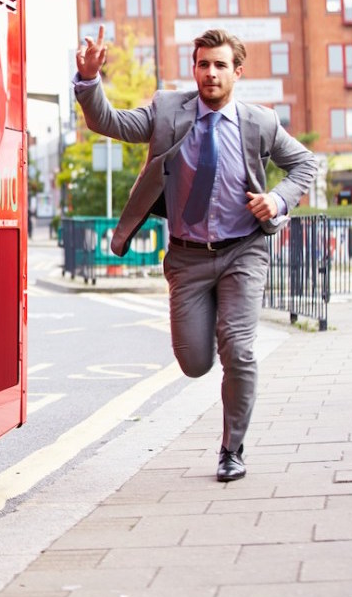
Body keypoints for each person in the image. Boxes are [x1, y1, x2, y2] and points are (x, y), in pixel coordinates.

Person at [73, 26, 318, 482]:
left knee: (239, 350)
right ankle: (211, 371)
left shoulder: (259, 123)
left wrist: (279, 199)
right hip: (187, 258)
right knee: (195, 362)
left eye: (220, 65)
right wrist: (89, 83)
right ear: (194, 68)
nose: (211, 73)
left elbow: (305, 164)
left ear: (237, 72)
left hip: (244, 250)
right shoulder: (168, 110)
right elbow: (112, 123)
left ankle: (232, 449)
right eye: (203, 64)